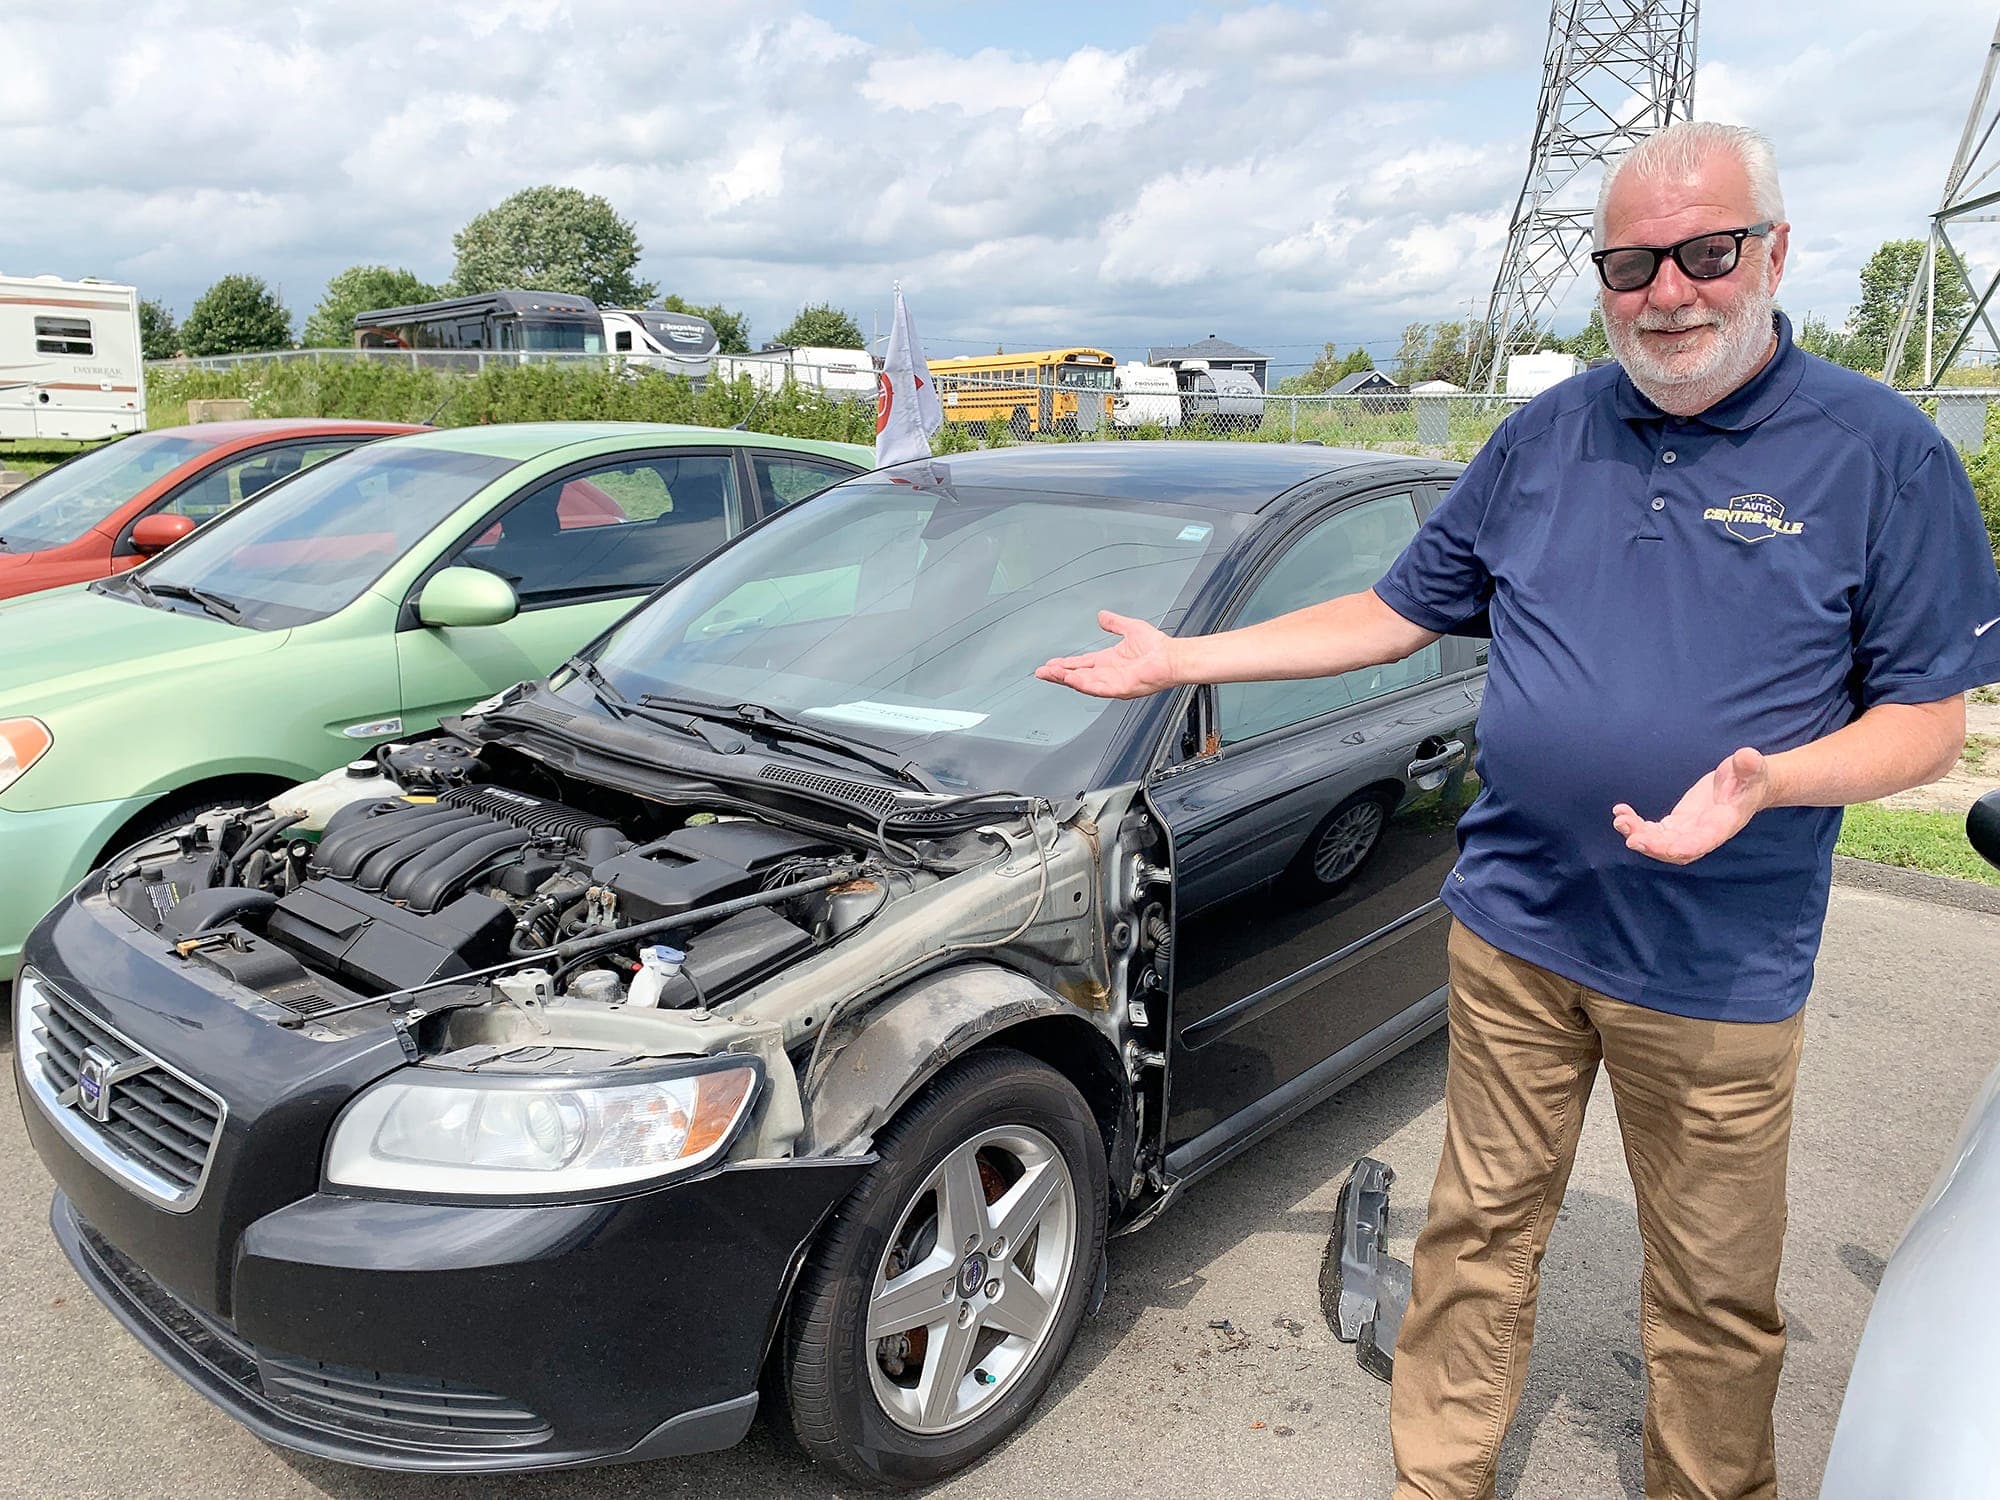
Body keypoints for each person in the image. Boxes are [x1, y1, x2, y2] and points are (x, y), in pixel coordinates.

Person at [1035, 120, 2000, 1500]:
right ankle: (1439, 1479)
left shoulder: (1881, 457)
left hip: (1717, 969)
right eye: (1629, 264)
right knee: (1475, 1235)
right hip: (1515, 936)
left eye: (1705, 253)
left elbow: (1925, 723)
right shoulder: (1545, 435)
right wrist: (1185, 658)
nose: (1666, 292)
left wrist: (1780, 780)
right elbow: (1388, 611)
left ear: (1774, 253)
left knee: (1716, 1297)